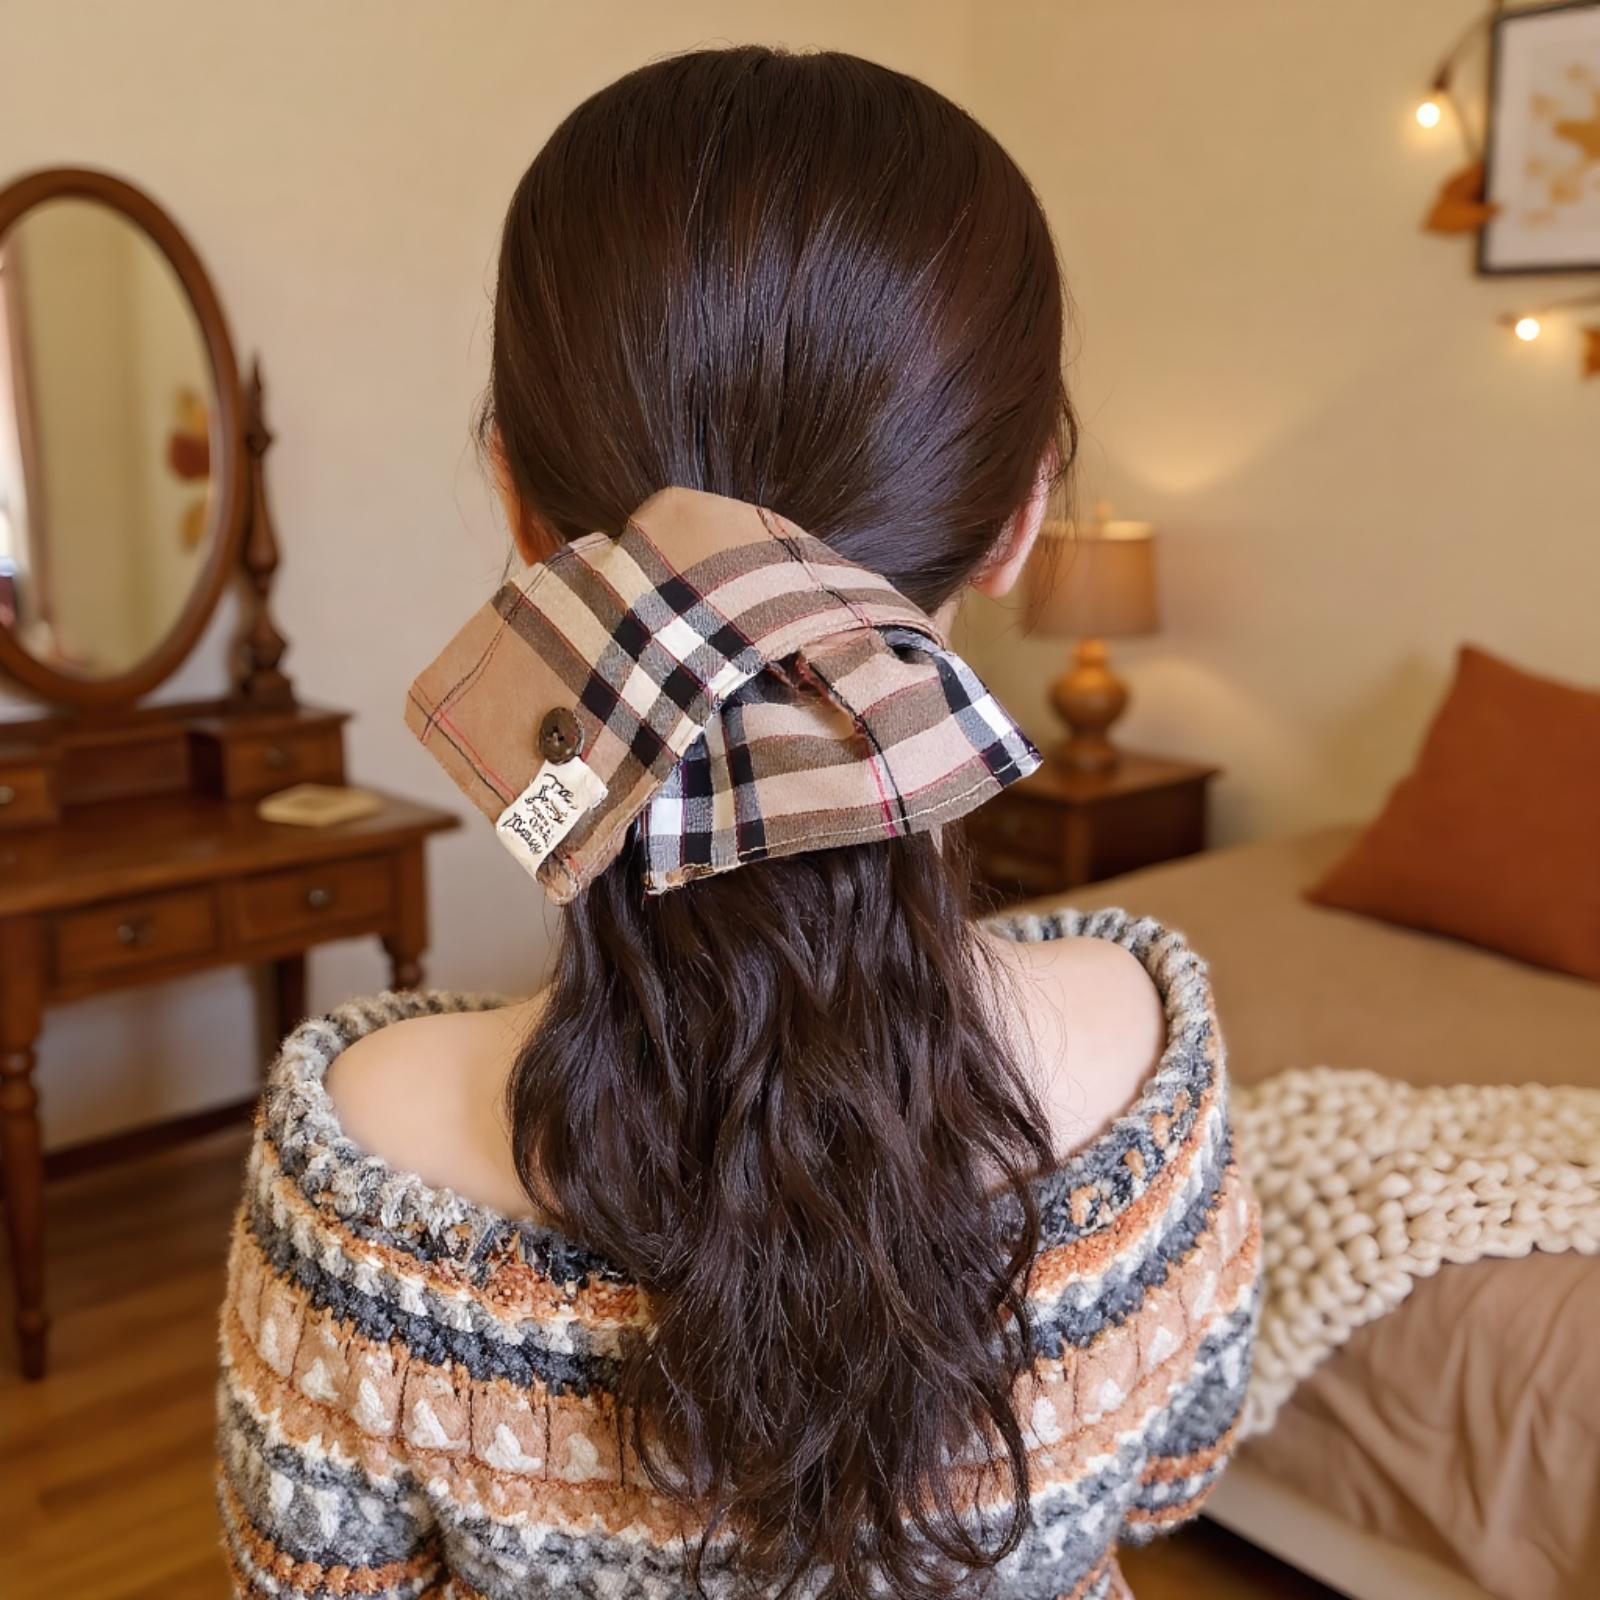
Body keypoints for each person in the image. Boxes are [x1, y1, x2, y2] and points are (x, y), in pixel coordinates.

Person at [215, 46, 1259, 1600]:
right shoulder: (1148, 1042)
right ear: (1022, 517)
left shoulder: (363, 1142)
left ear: (520, 508)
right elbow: (1175, 1476)